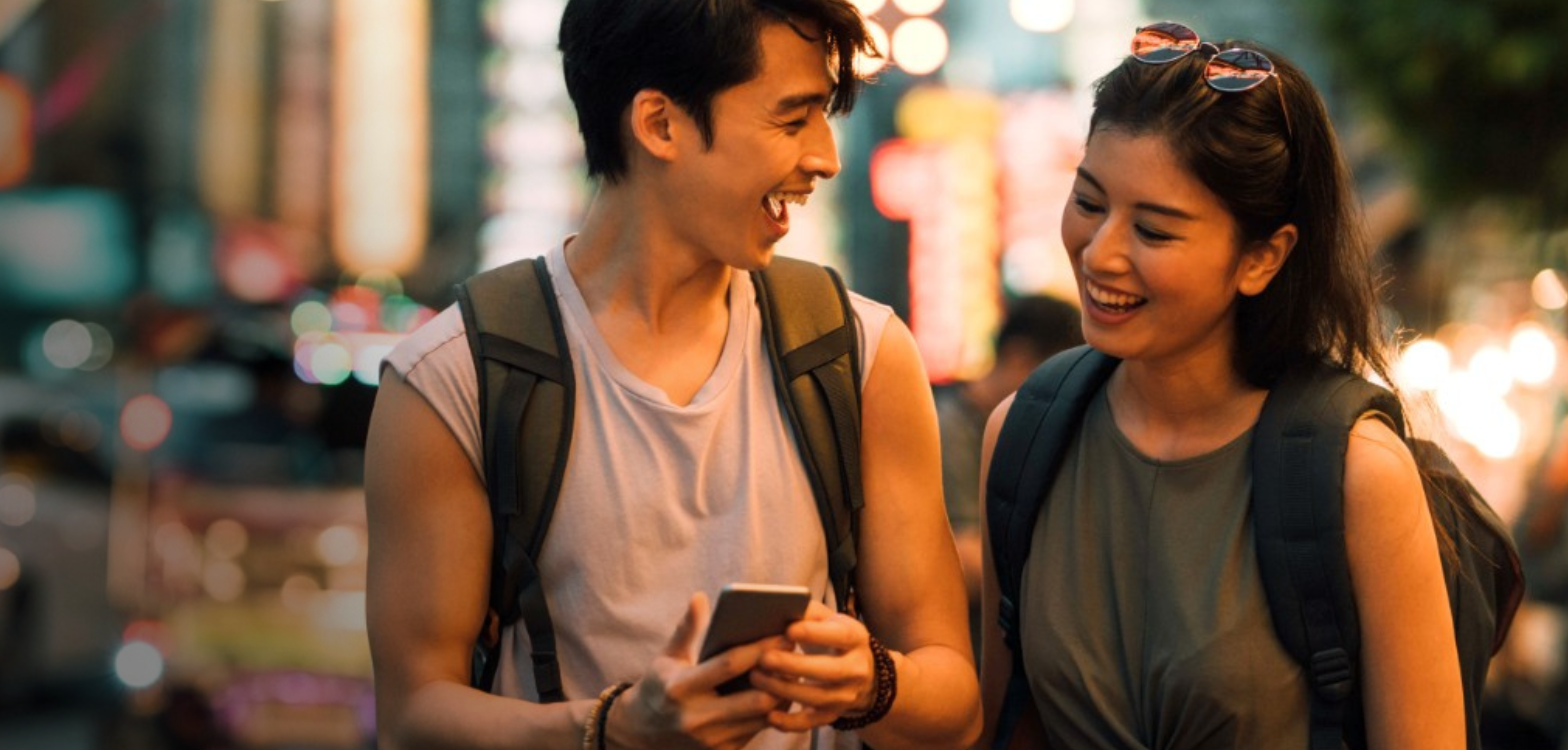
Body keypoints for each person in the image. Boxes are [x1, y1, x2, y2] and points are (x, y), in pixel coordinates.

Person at [364, 1, 981, 749]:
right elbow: (413, 715)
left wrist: (874, 683)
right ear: (659, 124)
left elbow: (954, 704)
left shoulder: (859, 354)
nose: (826, 157)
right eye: (793, 120)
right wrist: (612, 731)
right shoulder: (454, 376)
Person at [975, 25, 1465, 750]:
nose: (1100, 252)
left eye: (1155, 231)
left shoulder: (1357, 475)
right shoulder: (1024, 434)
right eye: (1088, 201)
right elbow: (1003, 724)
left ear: (1264, 257)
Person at [931, 295, 1080, 639]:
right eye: (1063, 376)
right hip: (967, 645)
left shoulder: (1026, 428)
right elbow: (963, 560)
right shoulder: (950, 427)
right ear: (1019, 358)